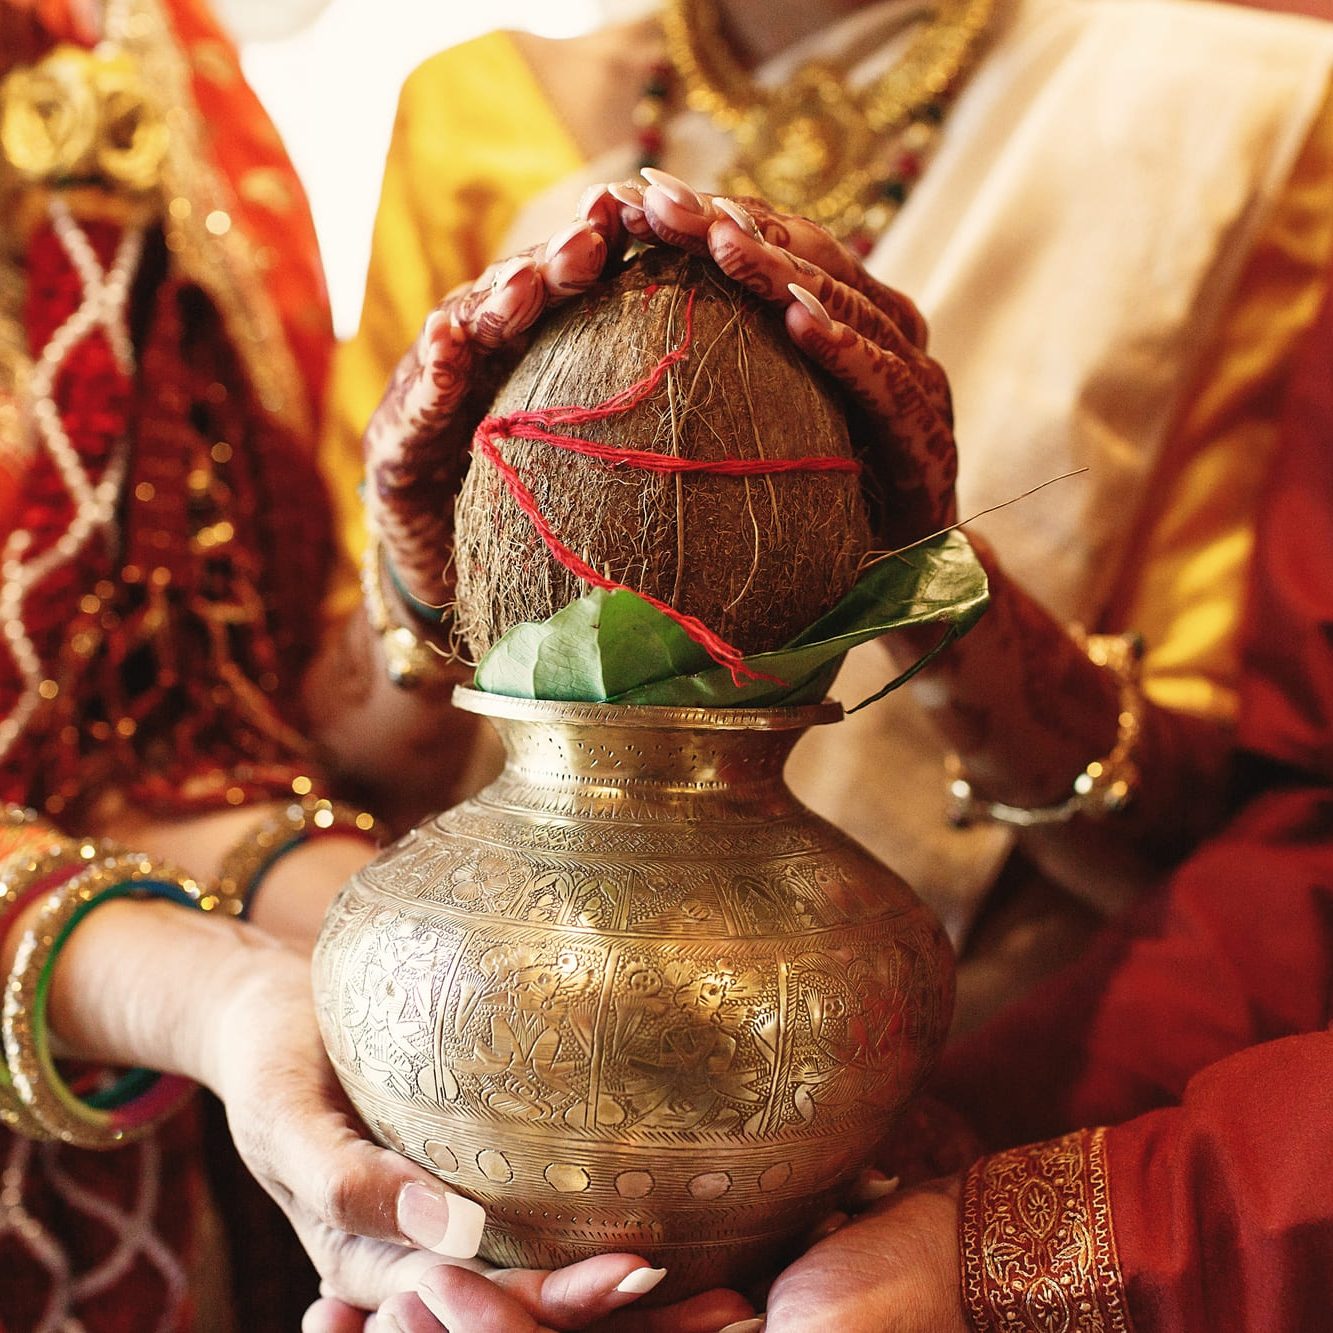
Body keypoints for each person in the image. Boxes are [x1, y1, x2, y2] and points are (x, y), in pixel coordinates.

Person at [298, 0, 1333, 1326]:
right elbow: (349, 750)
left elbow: (1254, 839)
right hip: (471, 1090)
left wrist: (938, 587)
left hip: (977, 1112)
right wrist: (416, 551)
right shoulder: (473, 103)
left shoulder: (1240, 111)